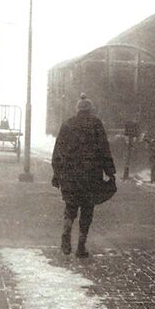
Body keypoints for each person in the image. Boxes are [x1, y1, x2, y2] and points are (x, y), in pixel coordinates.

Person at [51, 93, 116, 257]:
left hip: (70, 175)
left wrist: (57, 173)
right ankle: (81, 246)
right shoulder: (96, 124)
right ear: (90, 110)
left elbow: (58, 150)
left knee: (70, 207)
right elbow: (104, 149)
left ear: (77, 109)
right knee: (87, 210)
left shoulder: (67, 124)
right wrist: (110, 171)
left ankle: (66, 232)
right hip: (90, 175)